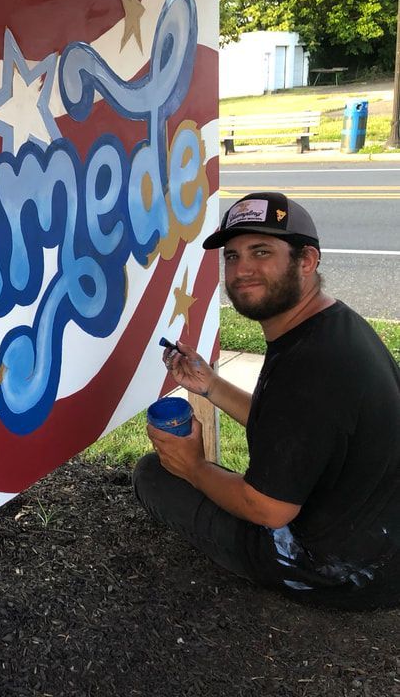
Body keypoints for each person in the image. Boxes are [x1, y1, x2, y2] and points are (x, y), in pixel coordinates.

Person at [133, 191, 400, 609]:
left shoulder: (310, 369)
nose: (242, 271)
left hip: (340, 571)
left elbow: (267, 510)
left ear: (307, 260)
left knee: (152, 475)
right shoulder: (332, 326)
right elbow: (291, 426)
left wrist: (193, 467)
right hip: (376, 536)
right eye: (233, 257)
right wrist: (212, 386)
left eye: (261, 252)